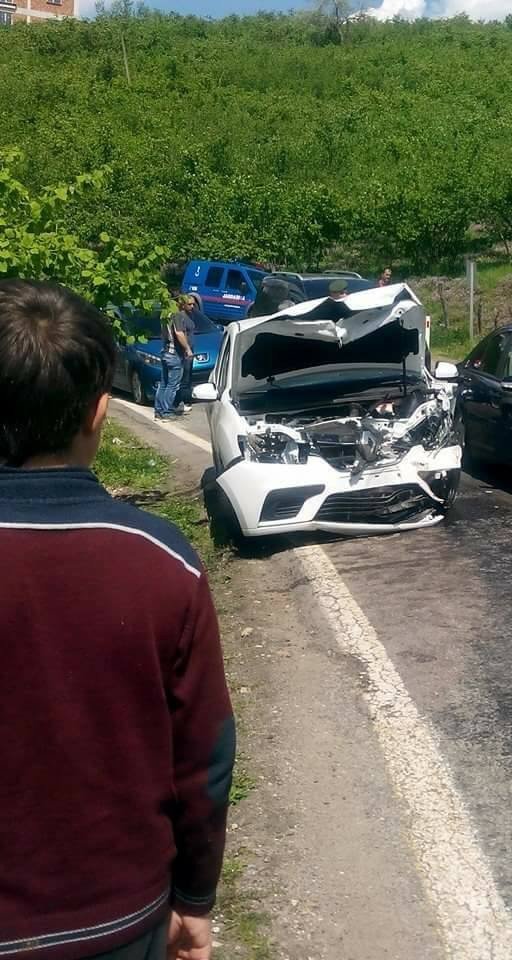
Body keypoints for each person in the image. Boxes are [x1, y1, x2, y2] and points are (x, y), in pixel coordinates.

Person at [0, 279, 235, 960]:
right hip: (117, 920)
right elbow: (205, 756)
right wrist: (194, 900)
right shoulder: (162, 561)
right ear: (99, 413)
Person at [154, 297, 194, 421]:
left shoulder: (165, 314)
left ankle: (159, 411)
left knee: (164, 384)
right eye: (189, 304)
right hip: (174, 354)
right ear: (181, 304)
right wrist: (187, 348)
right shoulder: (176, 315)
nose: (192, 306)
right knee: (172, 385)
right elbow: (179, 333)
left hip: (165, 352)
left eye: (193, 304)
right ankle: (166, 412)